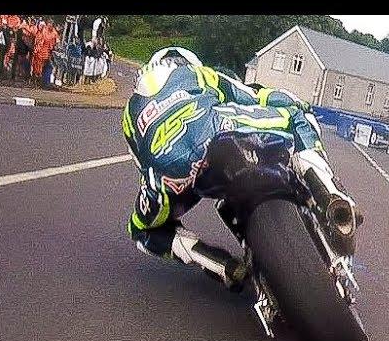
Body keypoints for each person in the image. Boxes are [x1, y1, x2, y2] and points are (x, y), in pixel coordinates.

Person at [122, 47, 360, 291]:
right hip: (216, 128)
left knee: (142, 231)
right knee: (297, 114)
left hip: (167, 174)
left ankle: (220, 265)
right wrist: (290, 101)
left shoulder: (130, 111)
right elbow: (249, 96)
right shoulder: (198, 73)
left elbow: (140, 161)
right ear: (188, 61)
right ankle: (331, 197)